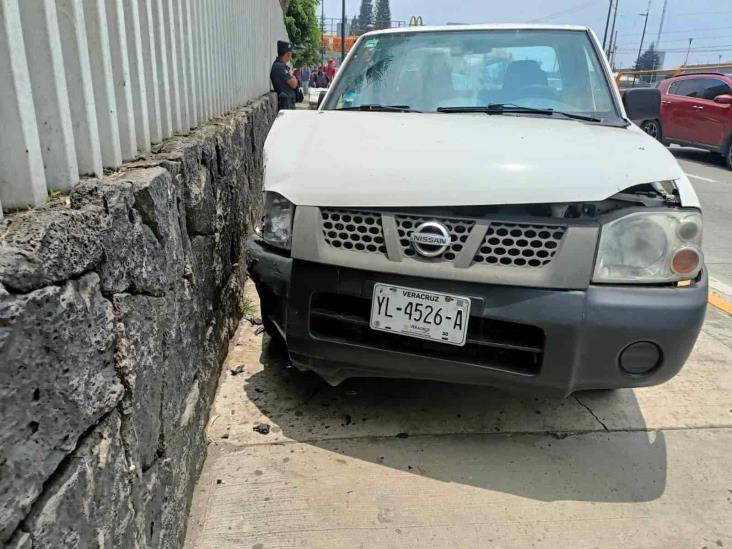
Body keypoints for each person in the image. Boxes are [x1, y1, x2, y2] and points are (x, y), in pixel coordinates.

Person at [270, 40, 297, 110]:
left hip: (287, 102)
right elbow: (293, 84)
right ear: (288, 54)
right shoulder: (280, 66)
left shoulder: (280, 65)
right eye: (290, 53)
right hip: (286, 104)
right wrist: (294, 77)